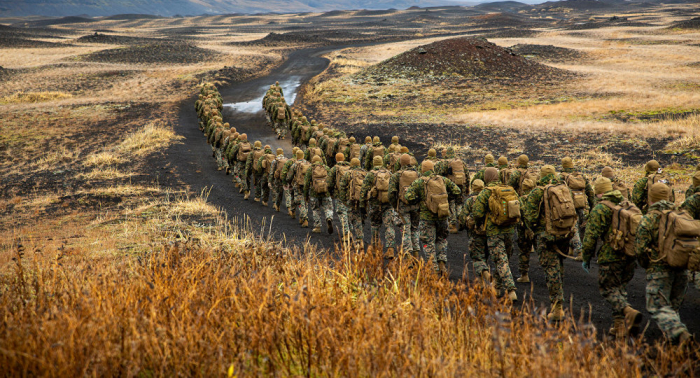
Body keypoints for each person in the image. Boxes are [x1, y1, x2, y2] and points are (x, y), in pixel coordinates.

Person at [581, 177, 643, 338]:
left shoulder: (600, 209)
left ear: (599, 193)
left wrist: (586, 257)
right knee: (620, 288)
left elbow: (590, 237)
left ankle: (628, 312)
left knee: (608, 289)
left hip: (611, 256)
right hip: (629, 255)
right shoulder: (627, 204)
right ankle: (619, 326)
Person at [636, 183, 694, 346]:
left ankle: (680, 333)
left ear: (651, 198)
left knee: (658, 306)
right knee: (672, 308)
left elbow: (640, 250)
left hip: (660, 270)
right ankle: (674, 347)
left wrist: (647, 265)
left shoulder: (649, 219)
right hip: (682, 270)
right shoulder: (683, 214)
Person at [522, 165, 576, 321]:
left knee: (551, 270)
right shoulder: (564, 189)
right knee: (558, 266)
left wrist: (535, 230)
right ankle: (559, 299)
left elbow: (530, 217)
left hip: (546, 237)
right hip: (564, 234)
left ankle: (557, 308)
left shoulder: (537, 192)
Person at [404, 160, 462, 275]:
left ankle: (433, 269)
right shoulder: (443, 180)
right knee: (441, 240)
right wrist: (444, 198)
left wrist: (420, 199)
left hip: (427, 218)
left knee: (428, 243)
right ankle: (442, 266)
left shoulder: (419, 182)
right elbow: (457, 190)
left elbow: (408, 197)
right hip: (442, 216)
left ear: (422, 169)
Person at [471, 167, 518, 301]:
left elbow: (477, 213)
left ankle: (511, 290)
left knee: (500, 260)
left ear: (486, 178)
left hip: (494, 231)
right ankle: (497, 288)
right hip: (509, 230)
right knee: (504, 259)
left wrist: (478, 223)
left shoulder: (486, 192)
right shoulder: (509, 189)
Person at [560, 157, 595, 262]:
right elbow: (590, 193)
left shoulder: (561, 177)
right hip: (584, 205)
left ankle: (579, 252)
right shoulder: (581, 176)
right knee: (583, 228)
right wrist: (591, 206)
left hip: (570, 206)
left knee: (573, 228)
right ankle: (579, 250)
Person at [360, 156, 396, 258]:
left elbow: (363, 190)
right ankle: (390, 250)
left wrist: (362, 205)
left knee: (375, 225)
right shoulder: (389, 173)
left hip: (375, 205)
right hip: (387, 205)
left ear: (373, 163)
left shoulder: (371, 174)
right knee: (389, 226)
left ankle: (375, 249)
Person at [388, 154, 421, 259]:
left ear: (400, 163)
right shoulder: (418, 174)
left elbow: (391, 194)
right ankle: (416, 254)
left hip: (403, 206)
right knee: (415, 229)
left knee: (405, 229)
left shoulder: (397, 175)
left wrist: (395, 206)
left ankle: (408, 256)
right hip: (416, 206)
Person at [460, 179, 490, 284]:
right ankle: (481, 281)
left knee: (478, 258)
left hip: (475, 234)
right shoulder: (489, 198)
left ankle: (486, 274)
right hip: (489, 233)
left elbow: (463, 218)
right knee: (485, 255)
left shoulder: (470, 201)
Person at [435, 147, 469, 234]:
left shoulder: (445, 163)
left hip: (450, 187)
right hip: (461, 186)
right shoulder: (461, 162)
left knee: (451, 204)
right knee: (459, 204)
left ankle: (453, 225)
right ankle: (461, 220)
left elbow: (439, 175)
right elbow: (467, 176)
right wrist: (467, 188)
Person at [339, 158, 368, 251]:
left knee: (352, 220)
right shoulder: (365, 173)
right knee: (360, 219)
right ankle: (360, 240)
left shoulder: (348, 174)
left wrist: (344, 200)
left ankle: (354, 240)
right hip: (363, 201)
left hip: (351, 201)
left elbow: (342, 187)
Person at [303, 156, 334, 234]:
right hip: (326, 193)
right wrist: (331, 192)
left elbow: (306, 183)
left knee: (316, 209)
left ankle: (317, 227)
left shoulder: (310, 169)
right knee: (328, 208)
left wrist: (306, 195)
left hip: (314, 193)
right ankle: (329, 218)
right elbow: (331, 182)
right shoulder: (326, 168)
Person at [515, 178, 536, 283]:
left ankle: (524, 274)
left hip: (524, 230)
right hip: (537, 229)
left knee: (524, 252)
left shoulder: (521, 199)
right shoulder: (537, 198)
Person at [328, 153, 352, 241]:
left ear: (336, 159)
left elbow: (329, 183)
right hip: (350, 194)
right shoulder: (350, 167)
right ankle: (351, 231)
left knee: (342, 213)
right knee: (350, 212)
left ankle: (346, 233)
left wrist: (331, 192)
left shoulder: (335, 169)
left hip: (339, 195)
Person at [268, 148, 288, 212]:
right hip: (285, 179)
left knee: (278, 193)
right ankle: (289, 207)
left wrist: (270, 181)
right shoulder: (287, 160)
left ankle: (277, 205)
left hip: (278, 179)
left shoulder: (275, 161)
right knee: (287, 193)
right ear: (282, 153)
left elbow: (271, 172)